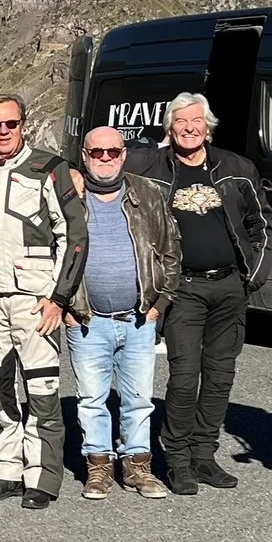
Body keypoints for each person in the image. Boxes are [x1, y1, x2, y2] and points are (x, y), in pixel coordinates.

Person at [130, 94, 272, 496]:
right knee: (183, 376)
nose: (190, 128)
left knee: (220, 376)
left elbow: (260, 220)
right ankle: (176, 460)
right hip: (184, 289)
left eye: (197, 121)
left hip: (230, 285)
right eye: (181, 122)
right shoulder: (152, 168)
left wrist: (254, 275)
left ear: (208, 125)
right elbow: (102, 167)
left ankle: (204, 456)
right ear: (169, 128)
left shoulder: (236, 167)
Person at [0, 95, 86, 508]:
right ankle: (5, 472)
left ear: (23, 125)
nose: (4, 131)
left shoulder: (49, 169)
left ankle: (42, 480)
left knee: (42, 391)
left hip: (35, 302)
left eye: (11, 123)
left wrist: (58, 299)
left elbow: (74, 237)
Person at [68, 126, 182, 501]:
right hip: (87, 319)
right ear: (84, 156)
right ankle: (98, 468)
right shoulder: (69, 195)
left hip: (137, 318)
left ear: (124, 154)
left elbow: (170, 253)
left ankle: (138, 468)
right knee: (91, 399)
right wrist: (67, 305)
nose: (105, 159)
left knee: (138, 398)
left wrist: (158, 305)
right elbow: (53, 251)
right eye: (96, 152)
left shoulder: (148, 193)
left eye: (113, 152)